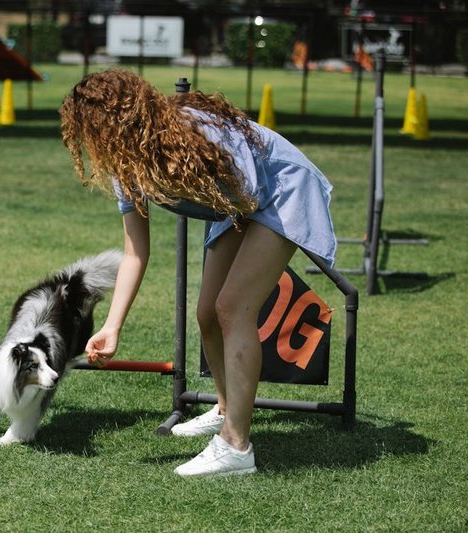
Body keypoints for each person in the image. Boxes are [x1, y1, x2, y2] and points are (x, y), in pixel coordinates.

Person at [59, 69, 336, 477]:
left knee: (232, 308)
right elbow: (136, 252)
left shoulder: (196, 130)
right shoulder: (126, 166)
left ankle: (236, 446)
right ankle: (225, 410)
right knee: (208, 312)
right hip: (239, 206)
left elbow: (251, 187)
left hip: (279, 190)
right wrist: (113, 327)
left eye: (92, 130)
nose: (91, 143)